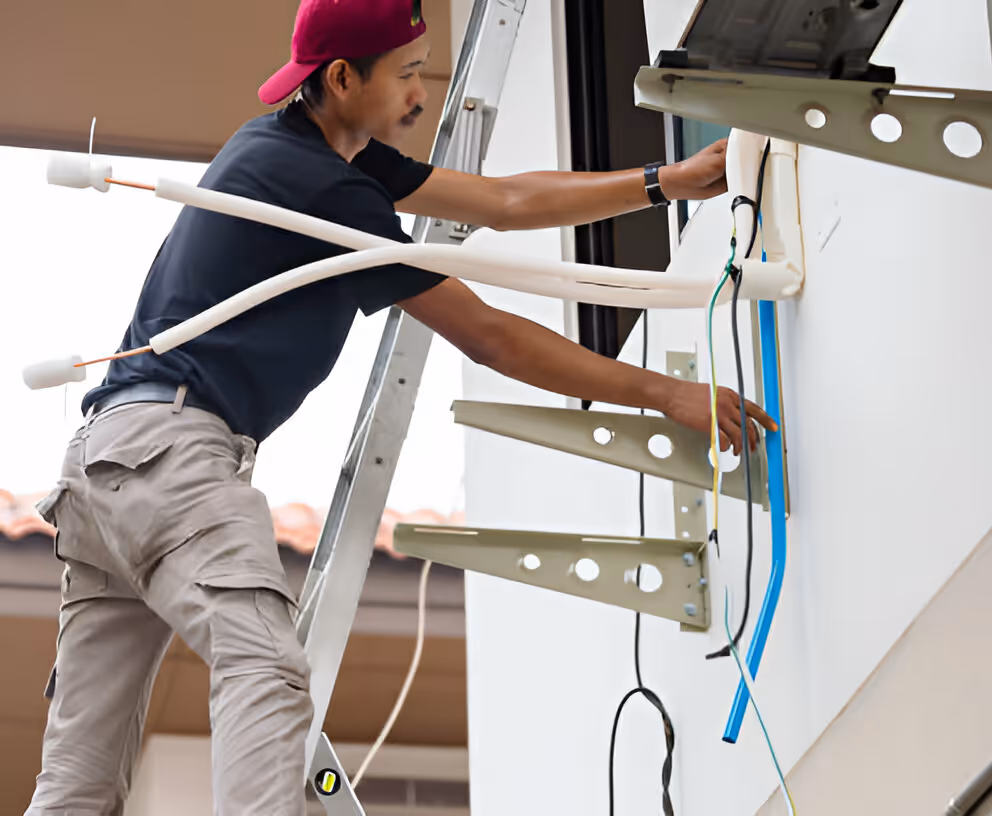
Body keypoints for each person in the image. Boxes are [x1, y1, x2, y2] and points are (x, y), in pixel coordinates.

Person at [25, 0, 776, 812]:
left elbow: (505, 203)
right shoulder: (321, 190)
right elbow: (490, 337)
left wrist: (666, 182)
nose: (421, 94)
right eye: (407, 75)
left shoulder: (299, 150)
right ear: (343, 78)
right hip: (172, 456)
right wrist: (663, 393)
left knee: (80, 775)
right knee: (265, 668)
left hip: (106, 470)